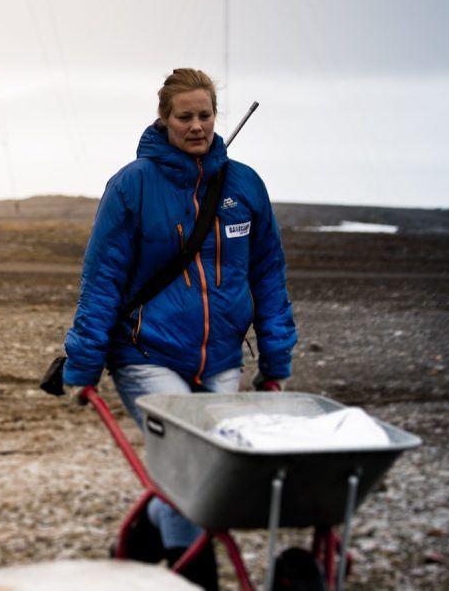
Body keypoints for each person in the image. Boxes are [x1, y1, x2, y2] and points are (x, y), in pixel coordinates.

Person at [61, 68, 297, 589]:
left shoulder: (245, 186)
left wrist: (276, 363)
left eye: (205, 115)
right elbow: (102, 281)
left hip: (221, 360)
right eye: (184, 116)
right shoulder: (131, 186)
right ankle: (197, 574)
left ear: (217, 116)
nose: (196, 126)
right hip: (147, 355)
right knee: (187, 463)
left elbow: (268, 277)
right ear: (164, 119)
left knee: (211, 472)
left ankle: (146, 535)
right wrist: (82, 366)